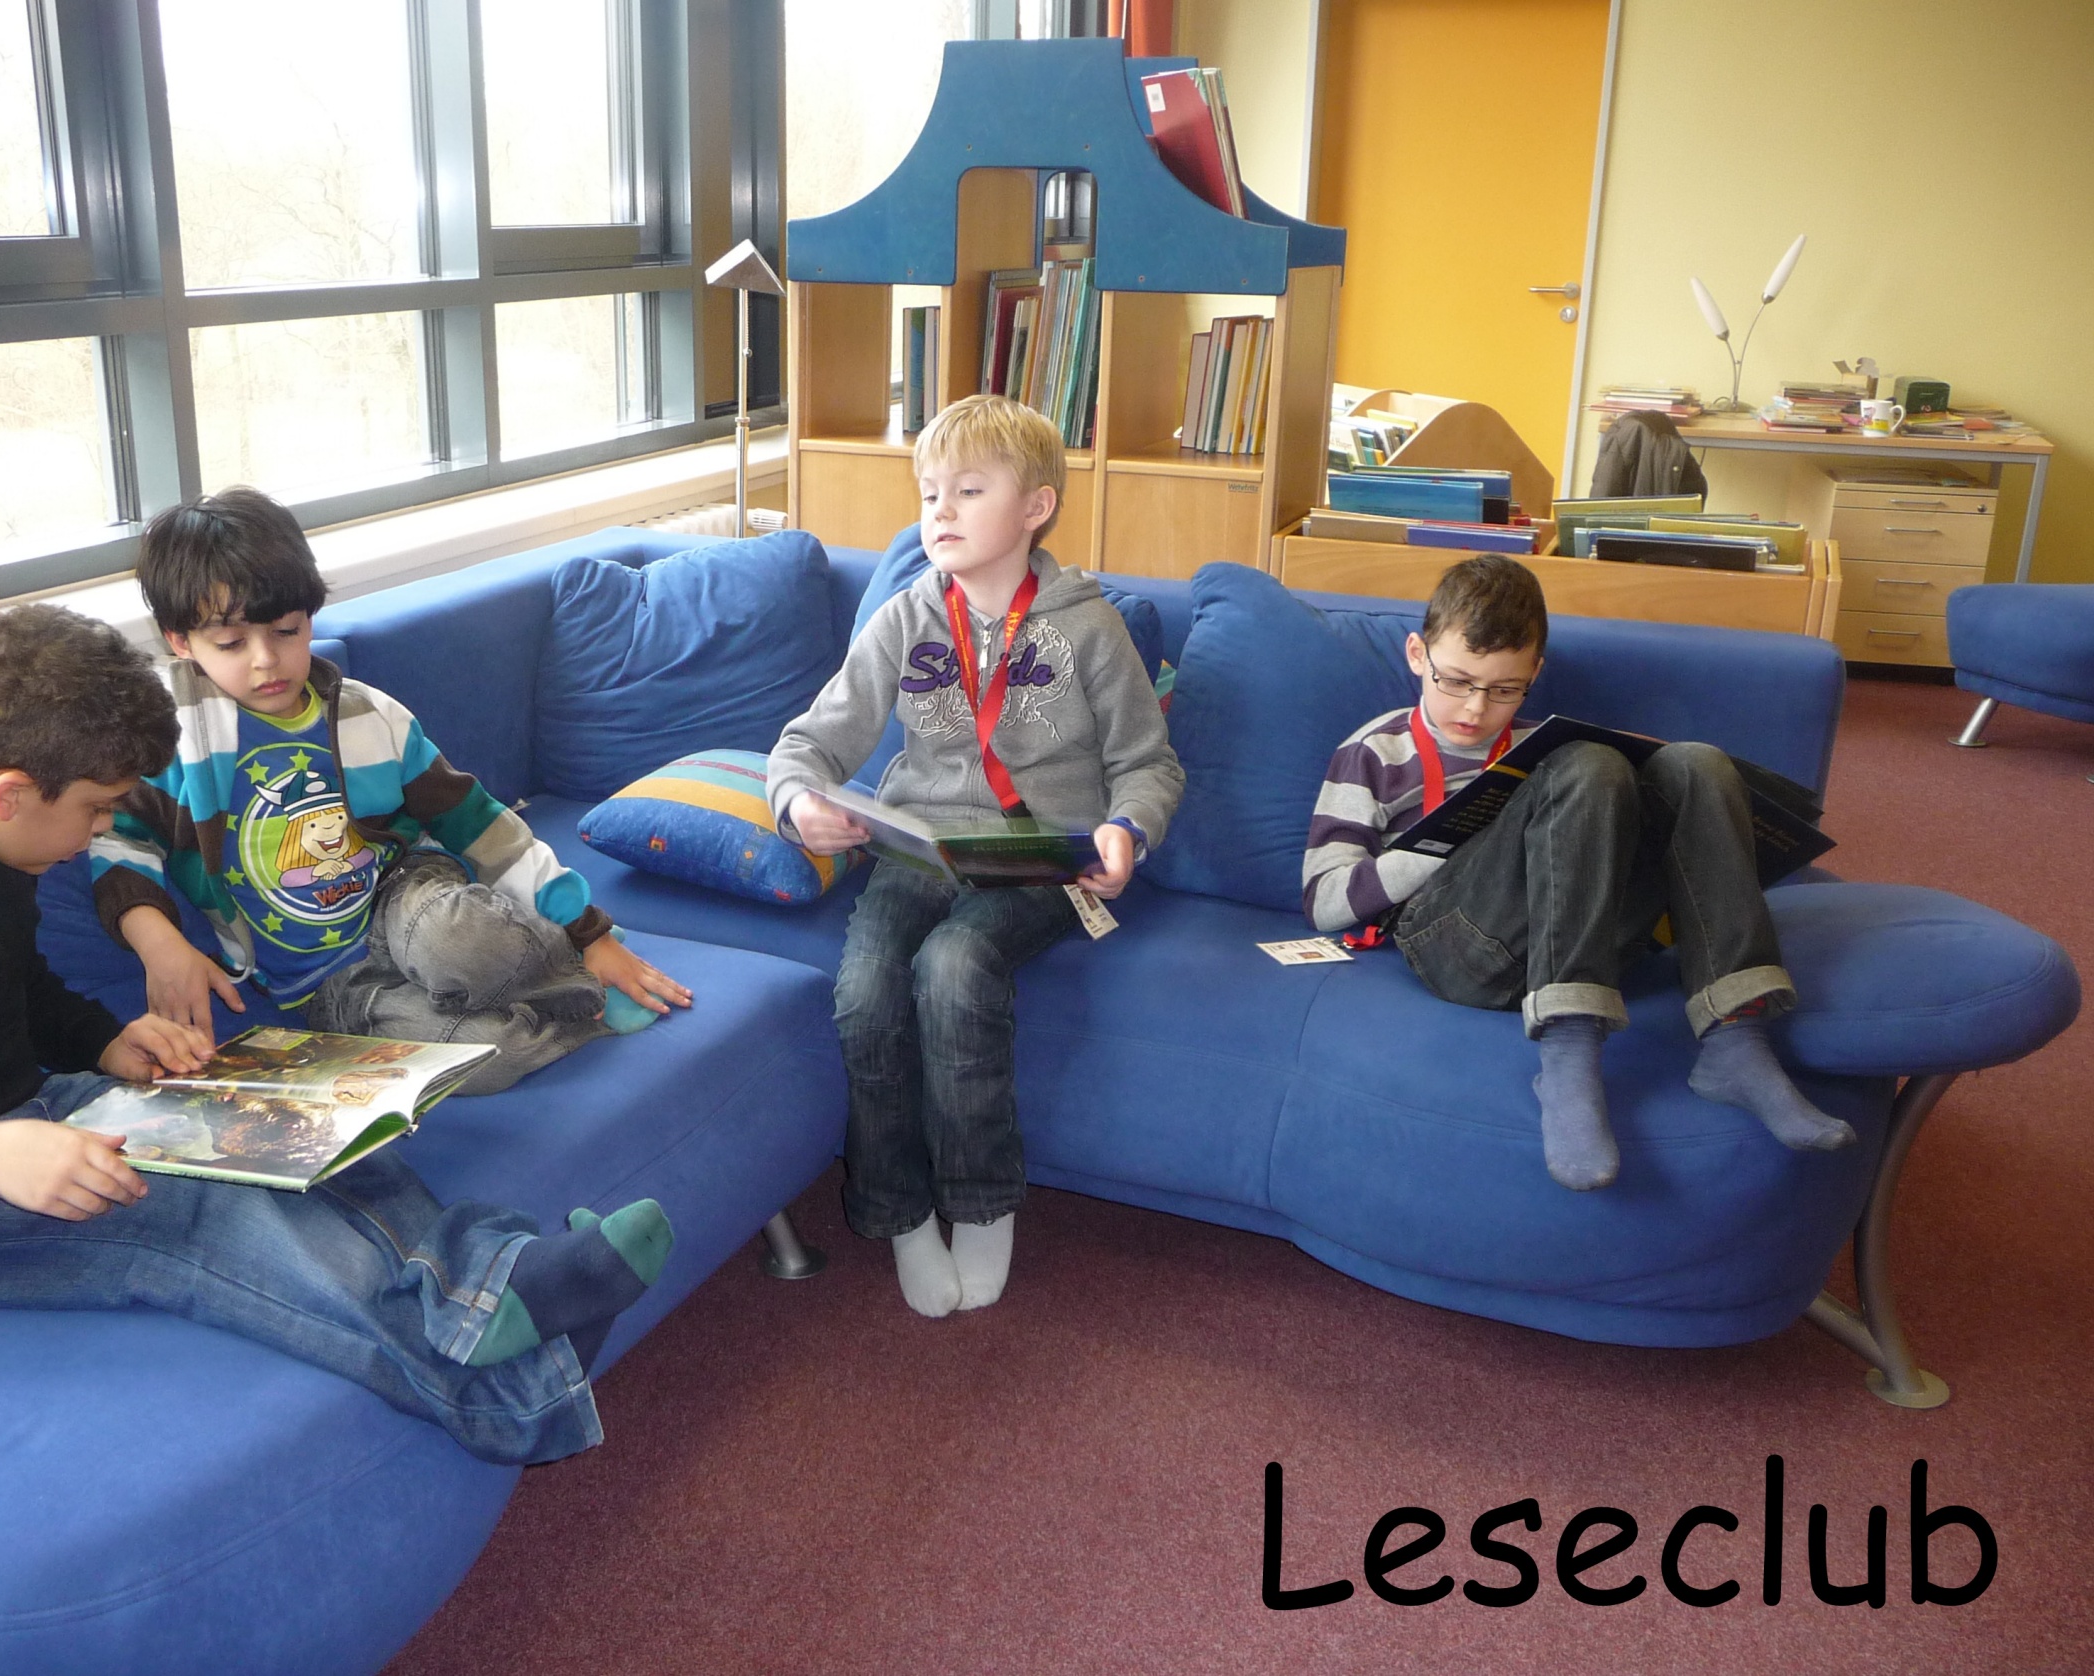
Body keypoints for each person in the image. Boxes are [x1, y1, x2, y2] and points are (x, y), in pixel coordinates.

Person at [0, 606, 671, 1465]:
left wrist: (105, 1041)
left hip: (17, 1115)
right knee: (189, 1212)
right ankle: (513, 1386)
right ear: (10, 792)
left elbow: (12, 986)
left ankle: (495, 1287)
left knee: (294, 1132)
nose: (95, 837)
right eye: (94, 811)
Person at [767, 394, 1185, 1317]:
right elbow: (807, 744)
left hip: (1037, 858)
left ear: (1036, 507)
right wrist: (799, 805)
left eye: (967, 490)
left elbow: (1147, 764)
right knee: (866, 988)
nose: (940, 512)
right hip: (919, 850)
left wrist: (1126, 830)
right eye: (929, 495)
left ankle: (983, 1204)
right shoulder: (906, 616)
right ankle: (901, 1212)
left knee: (955, 966)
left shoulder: (1089, 627)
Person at [95, 486, 691, 1094]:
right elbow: (113, 838)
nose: (265, 660)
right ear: (179, 641)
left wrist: (590, 932)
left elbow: (480, 823)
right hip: (327, 988)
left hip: (404, 898)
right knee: (488, 1059)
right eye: (230, 644)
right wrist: (158, 942)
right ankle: (572, 1001)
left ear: (309, 618)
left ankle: (570, 962)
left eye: (286, 631)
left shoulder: (370, 717)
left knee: (464, 946)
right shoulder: (170, 743)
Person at [1300, 554, 1855, 1191]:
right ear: (1417, 655)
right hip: (1457, 951)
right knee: (1587, 765)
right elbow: (1325, 901)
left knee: (1696, 764)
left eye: (1505, 689)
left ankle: (1736, 1039)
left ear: (1535, 673)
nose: (1475, 709)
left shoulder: (1543, 749)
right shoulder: (1375, 750)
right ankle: (1569, 1057)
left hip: (1581, 941)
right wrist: (1443, 843)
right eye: (1456, 680)